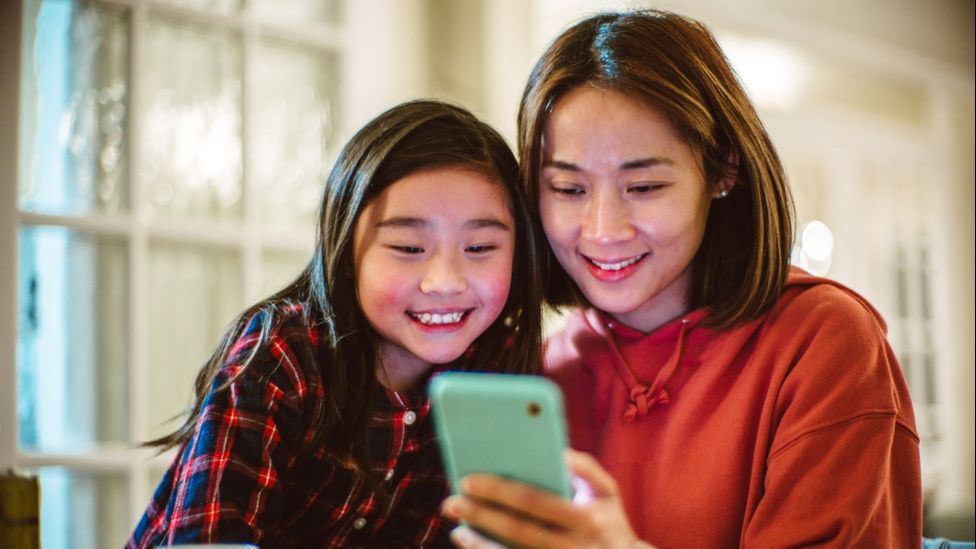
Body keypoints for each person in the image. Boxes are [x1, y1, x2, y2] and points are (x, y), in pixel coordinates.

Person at [442, 9, 922, 548]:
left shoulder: (823, 340)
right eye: (569, 190)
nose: (603, 231)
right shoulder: (540, 369)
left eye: (644, 187)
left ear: (722, 172)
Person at [126, 99, 545, 547]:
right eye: (408, 248)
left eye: (480, 249)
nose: (444, 282)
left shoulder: (502, 371)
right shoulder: (283, 355)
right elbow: (207, 540)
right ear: (345, 253)